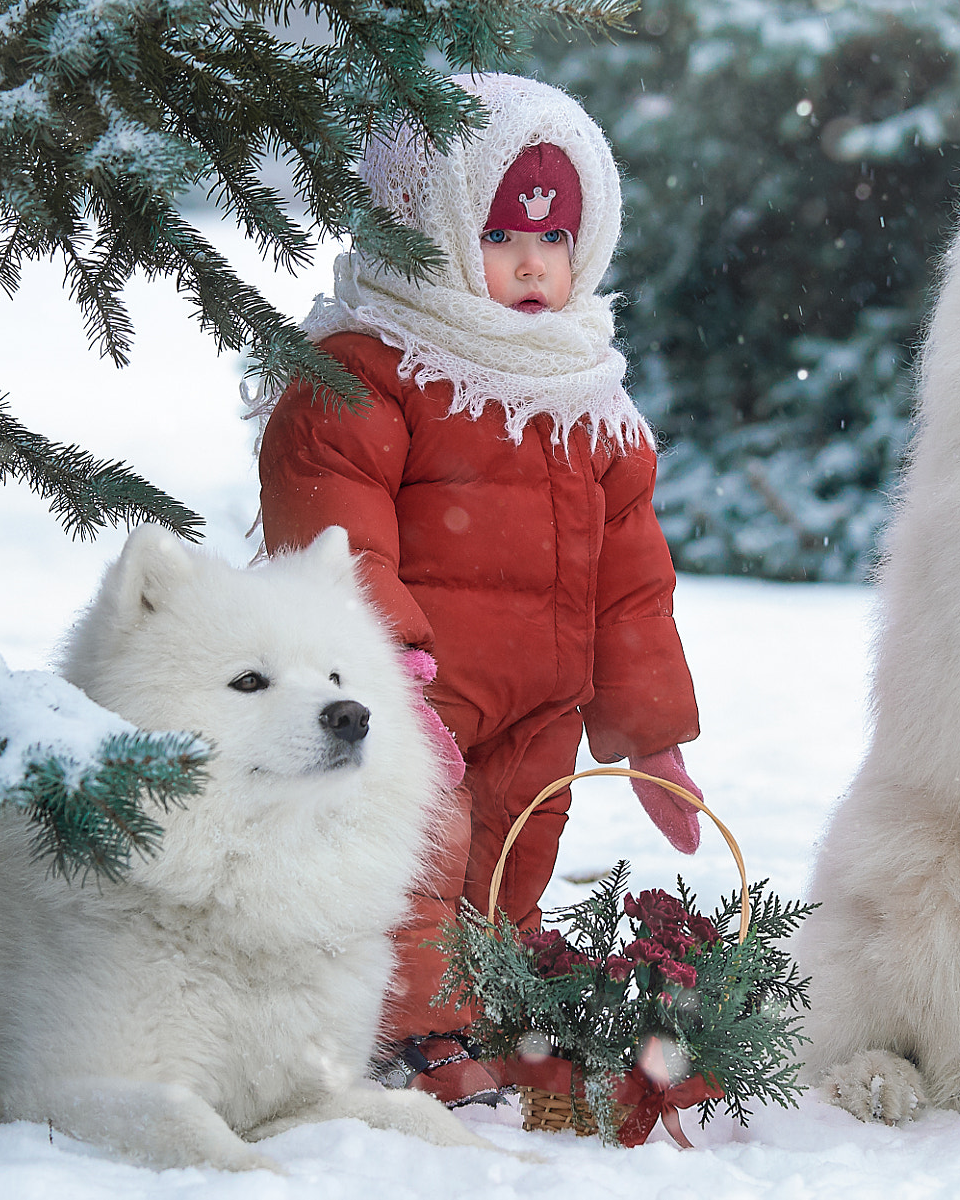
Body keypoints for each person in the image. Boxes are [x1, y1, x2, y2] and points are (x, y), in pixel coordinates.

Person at [256, 73, 701, 1106]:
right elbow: (334, 523)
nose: (534, 264)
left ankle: (487, 1008)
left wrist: (647, 733)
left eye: (555, 238)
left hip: (539, 702)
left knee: (511, 861)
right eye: (501, 237)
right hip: (422, 690)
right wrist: (387, 671)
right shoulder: (369, 367)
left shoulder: (587, 393)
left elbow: (633, 577)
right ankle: (404, 1032)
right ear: (429, 228)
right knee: (414, 853)